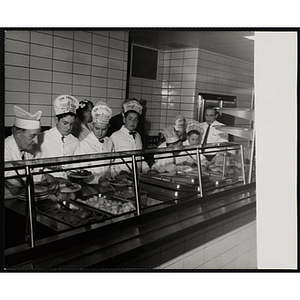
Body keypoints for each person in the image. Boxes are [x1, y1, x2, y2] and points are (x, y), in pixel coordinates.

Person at [4, 106, 58, 196]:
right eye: (32, 136)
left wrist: (47, 177)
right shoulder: (5, 150)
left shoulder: (26, 150)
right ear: (18, 134)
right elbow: (16, 182)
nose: (36, 141)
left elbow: (33, 172)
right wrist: (44, 177)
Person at [35, 95, 80, 178]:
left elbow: (76, 167)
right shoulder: (42, 138)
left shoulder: (75, 141)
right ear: (56, 120)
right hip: (46, 184)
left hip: (68, 183)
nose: (68, 127)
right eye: (65, 123)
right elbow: (34, 166)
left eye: (71, 124)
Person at [74, 101, 115, 184]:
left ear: (108, 127)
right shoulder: (84, 144)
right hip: (90, 185)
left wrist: (115, 175)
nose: (100, 132)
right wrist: (98, 179)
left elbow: (113, 164)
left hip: (107, 184)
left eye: (104, 129)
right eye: (97, 128)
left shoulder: (109, 142)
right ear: (92, 125)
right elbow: (82, 171)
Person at [110, 99, 150, 175]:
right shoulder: (115, 136)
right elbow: (110, 162)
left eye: (135, 120)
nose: (133, 122)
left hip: (137, 177)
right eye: (130, 119)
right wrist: (118, 173)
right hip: (121, 178)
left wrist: (147, 170)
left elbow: (140, 158)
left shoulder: (138, 136)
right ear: (124, 119)